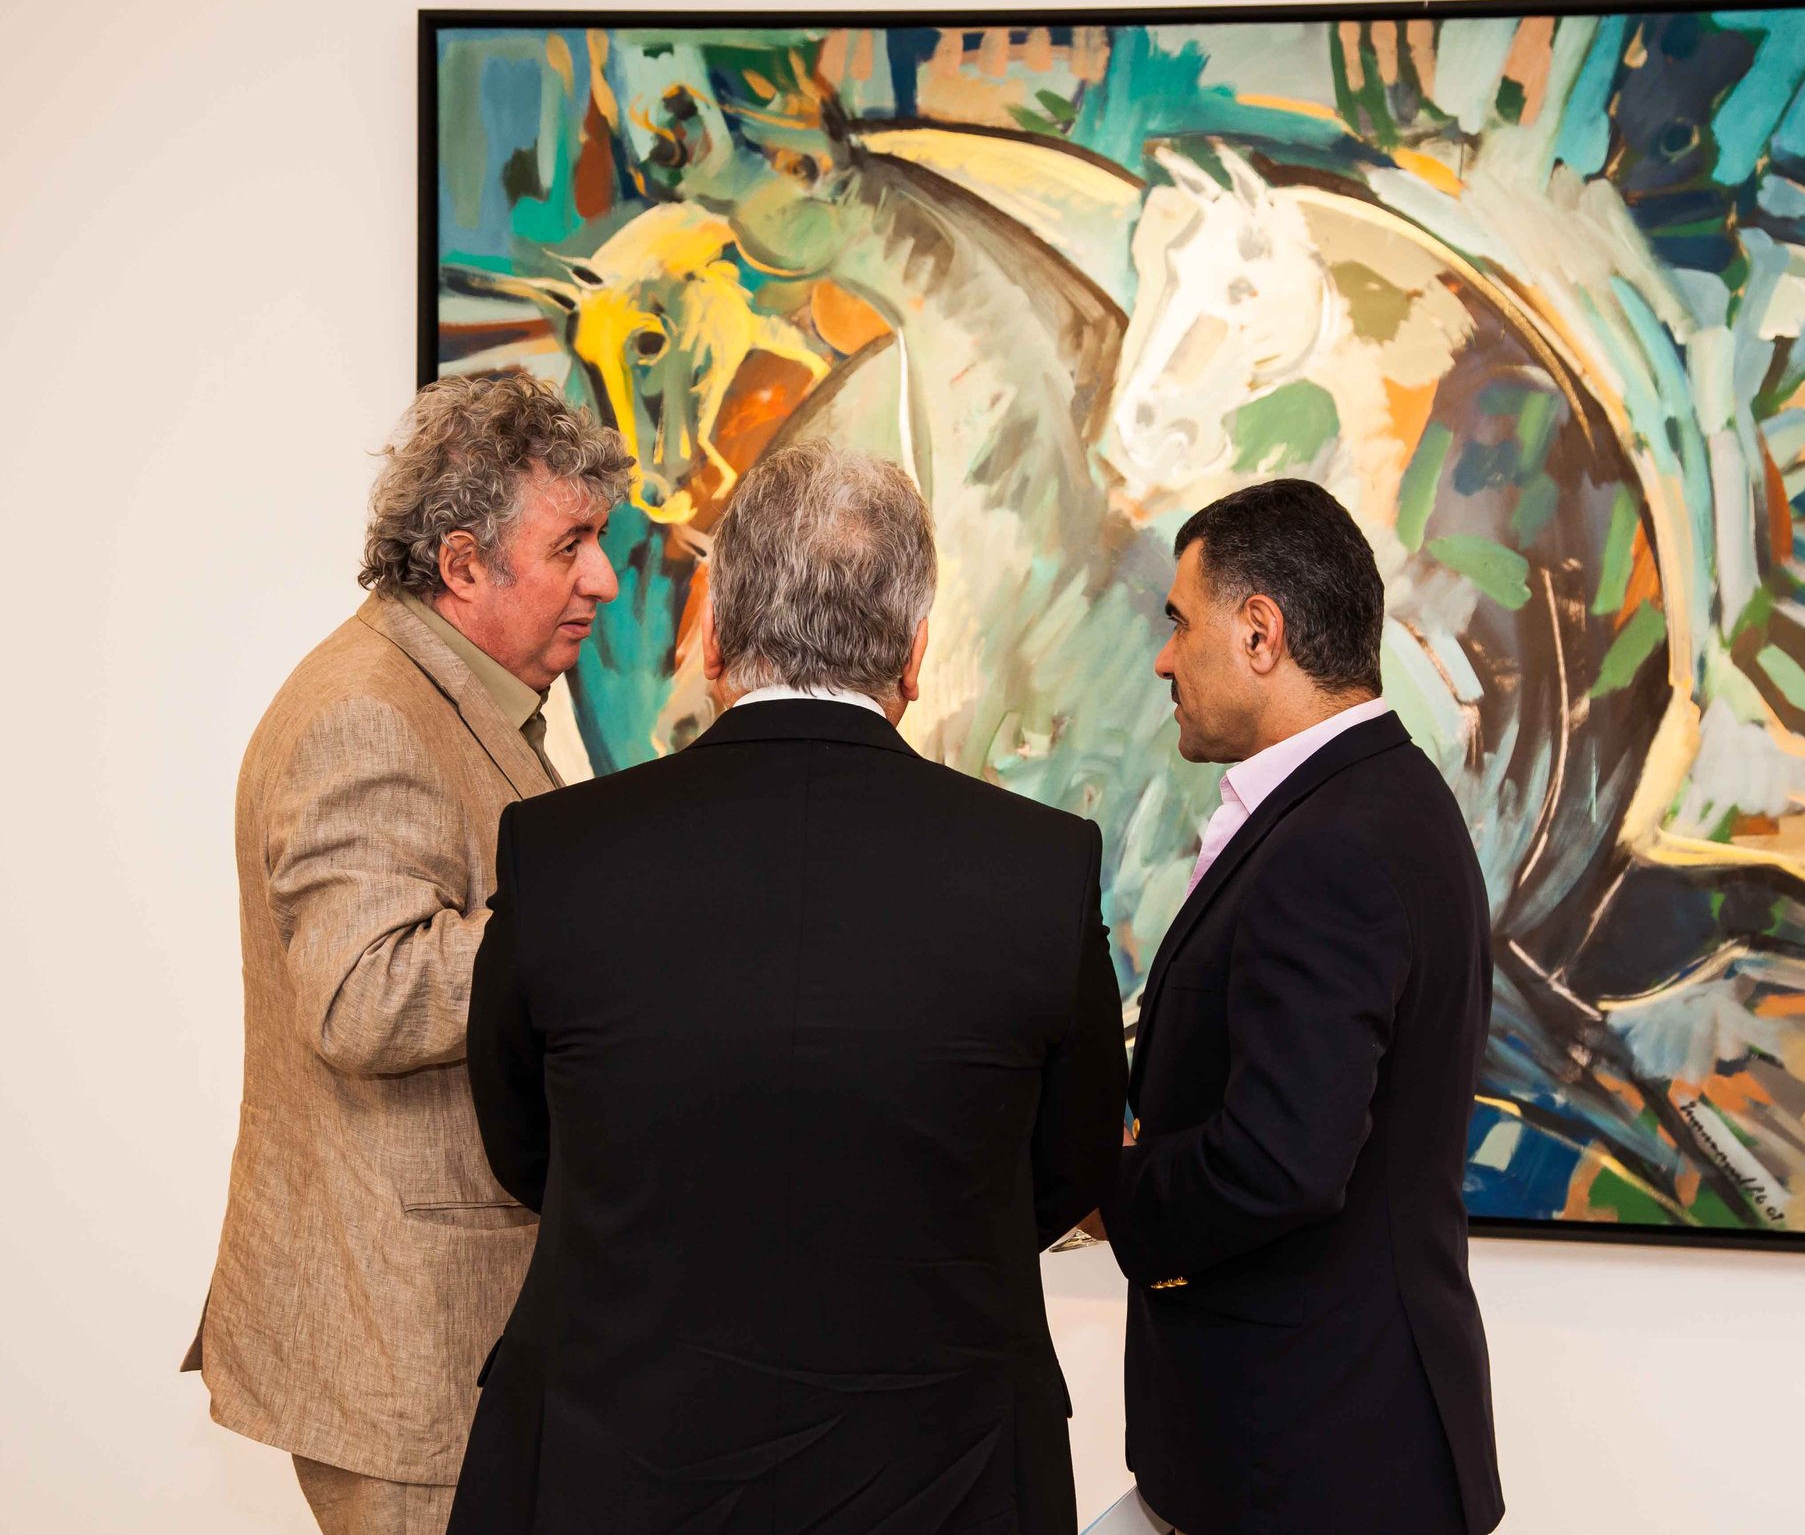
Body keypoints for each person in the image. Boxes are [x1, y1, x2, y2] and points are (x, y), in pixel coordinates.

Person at [449, 441, 1127, 1535]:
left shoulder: (560, 848)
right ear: (914, 653)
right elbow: (1070, 1164)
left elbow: (523, 1144)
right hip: (940, 1474)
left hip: (615, 1466)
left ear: (712, 636)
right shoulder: (1040, 865)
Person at [188, 374, 633, 1534]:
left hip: (444, 1339)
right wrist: (610, 920)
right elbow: (362, 992)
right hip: (409, 1354)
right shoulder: (367, 711)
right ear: (462, 563)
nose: (604, 578)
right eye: (572, 543)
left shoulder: (454, 695)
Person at [1099, 478, 1506, 1535]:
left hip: (1312, 1463)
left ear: (1260, 630)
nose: (1161, 656)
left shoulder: (1334, 842)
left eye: (1178, 622)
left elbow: (1281, 1156)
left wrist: (1112, 1190)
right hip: (1314, 1442)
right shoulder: (1381, 802)